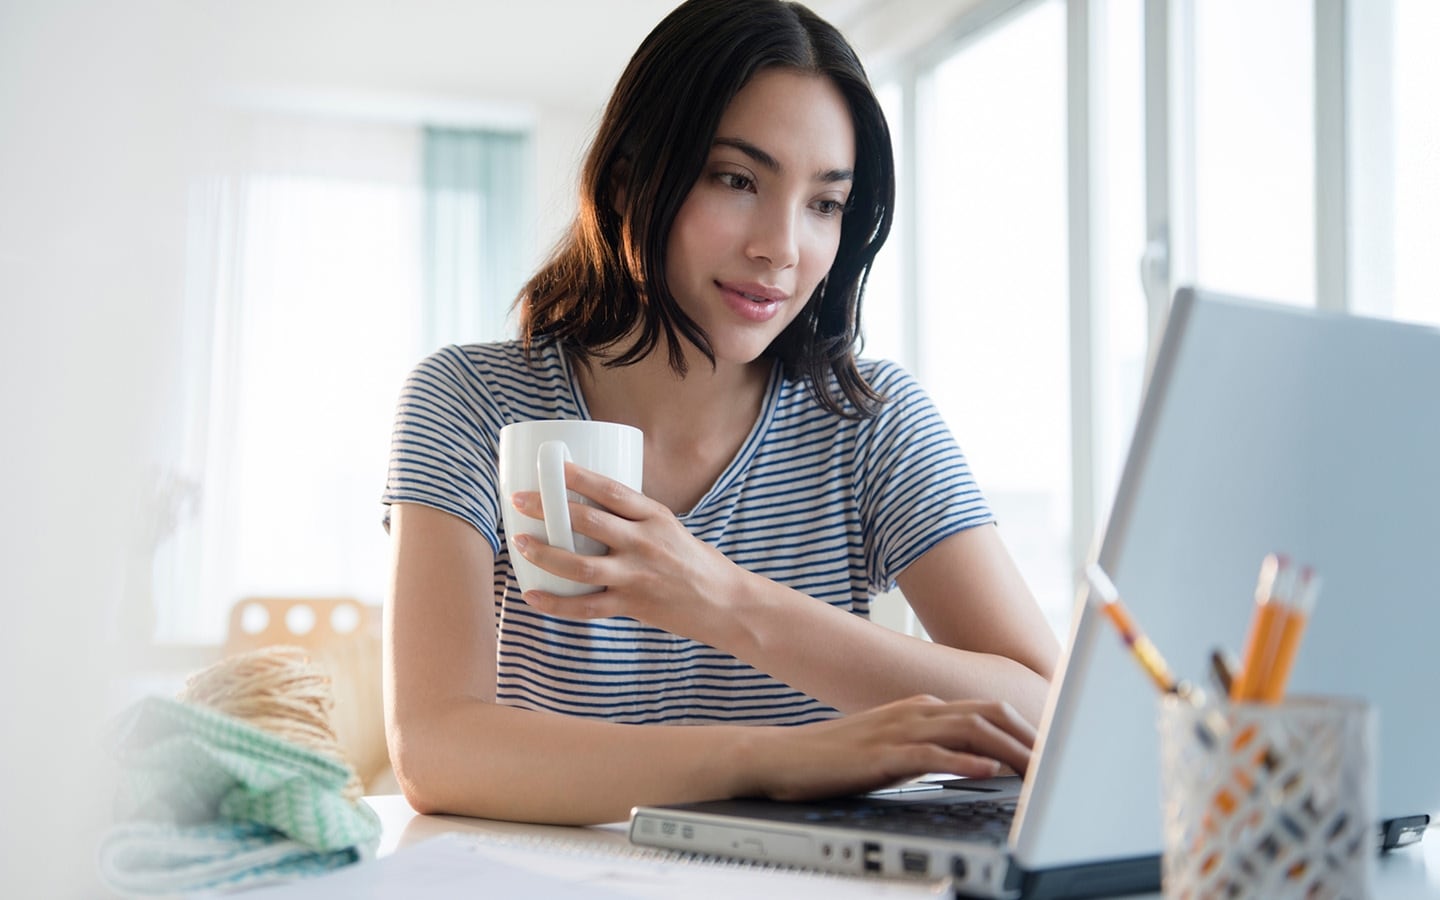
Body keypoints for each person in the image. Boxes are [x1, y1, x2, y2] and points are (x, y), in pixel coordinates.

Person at [381, 0, 1060, 825]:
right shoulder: (470, 403)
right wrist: (768, 762)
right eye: (737, 180)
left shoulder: (870, 424)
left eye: (825, 203)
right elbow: (438, 750)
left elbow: (1047, 710)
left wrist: (720, 599)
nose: (780, 246)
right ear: (630, 180)